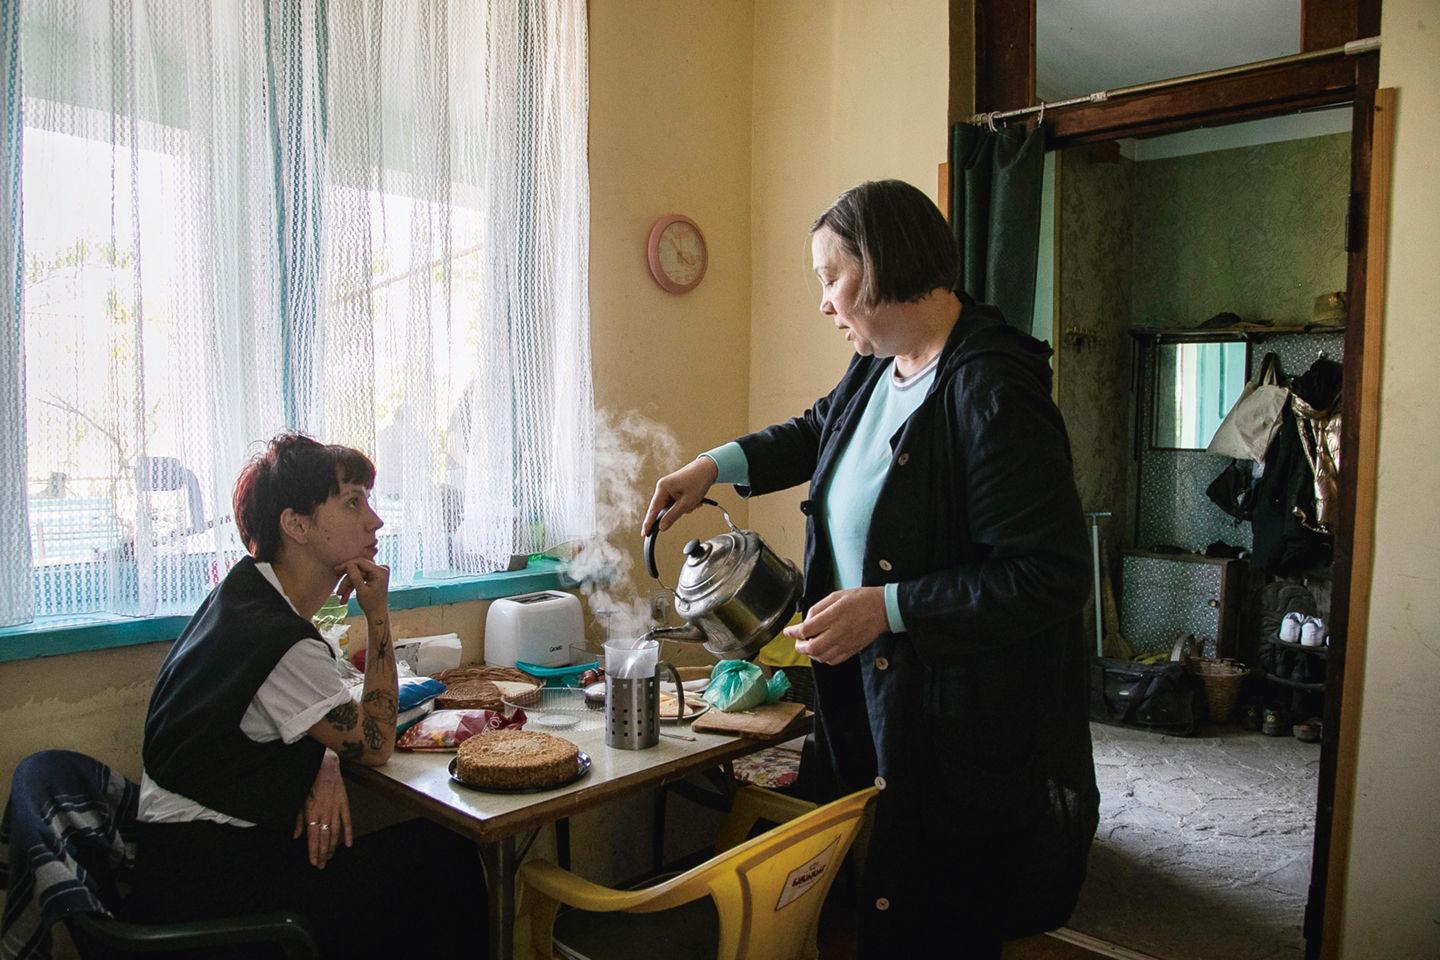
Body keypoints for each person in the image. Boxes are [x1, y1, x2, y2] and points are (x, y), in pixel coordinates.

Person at [642, 180, 1099, 957]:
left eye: (831, 278)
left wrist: (886, 608)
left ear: (882, 266)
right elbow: (815, 429)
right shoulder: (880, 366)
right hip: (872, 691)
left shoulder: (989, 390)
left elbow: (1048, 575)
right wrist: (708, 468)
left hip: (958, 721)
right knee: (875, 896)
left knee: (936, 916)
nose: (823, 303)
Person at [127, 433, 485, 956]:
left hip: (180, 867)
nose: (375, 521)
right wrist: (378, 614)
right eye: (353, 503)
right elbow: (378, 742)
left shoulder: (244, 595)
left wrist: (324, 759)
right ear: (296, 525)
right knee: (445, 853)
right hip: (213, 895)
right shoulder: (281, 641)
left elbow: (279, 713)